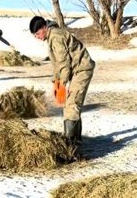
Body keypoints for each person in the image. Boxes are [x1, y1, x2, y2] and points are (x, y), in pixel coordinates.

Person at [29, 16, 95, 150]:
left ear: (44, 28)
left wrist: (62, 85)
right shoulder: (52, 36)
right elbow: (57, 64)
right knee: (70, 104)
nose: (37, 37)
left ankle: (71, 145)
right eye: (34, 35)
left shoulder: (56, 37)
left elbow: (64, 64)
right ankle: (75, 140)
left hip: (82, 69)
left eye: (37, 33)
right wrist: (56, 81)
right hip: (77, 70)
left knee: (72, 104)